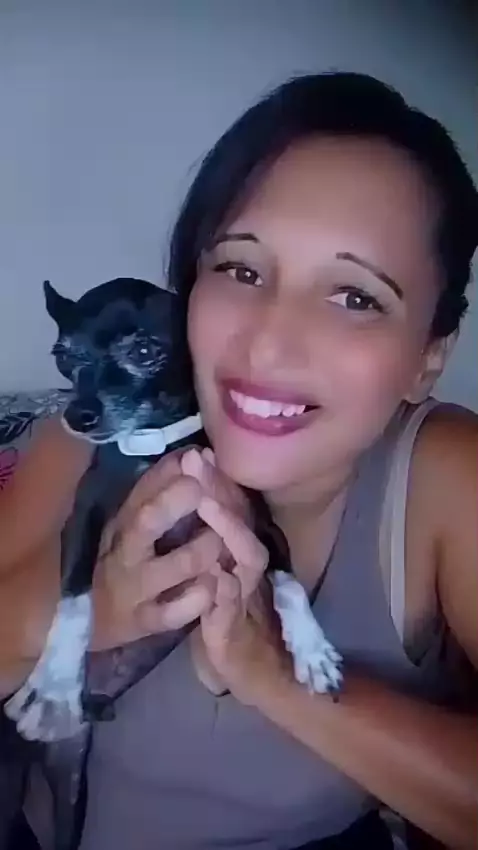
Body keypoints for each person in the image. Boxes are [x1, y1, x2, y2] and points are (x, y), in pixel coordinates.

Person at [0, 72, 477, 850]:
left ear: (430, 355)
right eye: (242, 270)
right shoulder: (91, 439)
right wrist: (95, 611)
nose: (269, 343)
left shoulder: (445, 475)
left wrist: (277, 678)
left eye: (356, 297)